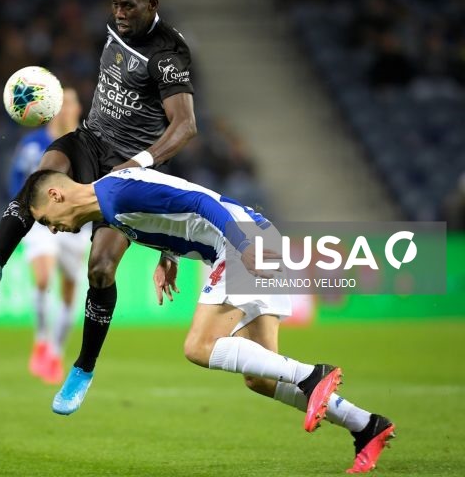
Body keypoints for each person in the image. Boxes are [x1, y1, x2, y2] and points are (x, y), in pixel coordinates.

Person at [22, 167, 396, 474]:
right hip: (254, 234)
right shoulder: (110, 204)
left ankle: (312, 376)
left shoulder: (117, 193)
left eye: (45, 220)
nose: (51, 229)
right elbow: (172, 205)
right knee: (262, 379)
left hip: (239, 240)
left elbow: (200, 201)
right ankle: (366, 426)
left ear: (55, 195)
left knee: (199, 346)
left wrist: (243, 246)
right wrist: (168, 256)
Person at [0, 0, 198, 398]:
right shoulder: (116, 29)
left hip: (130, 169)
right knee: (40, 181)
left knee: (100, 269)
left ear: (152, 5)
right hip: (90, 141)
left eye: (128, 5)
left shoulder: (168, 54)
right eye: (115, 4)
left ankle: (83, 367)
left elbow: (186, 126)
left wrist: (139, 164)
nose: (119, 13)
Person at [8, 88, 88, 384]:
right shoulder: (33, 144)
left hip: (75, 225)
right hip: (41, 222)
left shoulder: (87, 143)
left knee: (69, 289)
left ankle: (55, 352)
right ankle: (41, 341)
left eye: (71, 102)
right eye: (61, 103)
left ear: (78, 109)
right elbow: (16, 179)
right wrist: (25, 209)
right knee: (43, 278)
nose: (66, 108)